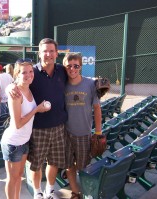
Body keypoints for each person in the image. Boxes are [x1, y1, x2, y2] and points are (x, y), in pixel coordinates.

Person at [8, 38, 68, 199]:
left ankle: (50, 190)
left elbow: (78, 79)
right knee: (36, 164)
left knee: (54, 162)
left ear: (56, 53)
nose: (48, 54)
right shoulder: (32, 72)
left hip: (59, 126)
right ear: (39, 53)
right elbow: (18, 82)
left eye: (51, 51)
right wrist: (10, 87)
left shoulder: (62, 70)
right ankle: (37, 192)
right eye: (44, 51)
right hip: (38, 128)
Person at [1, 59, 50, 199]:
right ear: (17, 74)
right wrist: (37, 110)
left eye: (30, 71)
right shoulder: (16, 93)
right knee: (12, 179)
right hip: (13, 143)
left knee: (18, 178)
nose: (29, 75)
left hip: (24, 141)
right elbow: (18, 123)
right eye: (24, 72)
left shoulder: (28, 88)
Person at [63, 53, 102, 199]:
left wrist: (98, 132)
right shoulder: (62, 83)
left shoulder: (90, 84)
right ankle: (75, 192)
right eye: (69, 65)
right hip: (65, 133)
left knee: (83, 166)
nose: (72, 69)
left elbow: (97, 108)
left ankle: (86, 191)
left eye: (76, 66)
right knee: (68, 165)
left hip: (84, 133)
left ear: (81, 67)